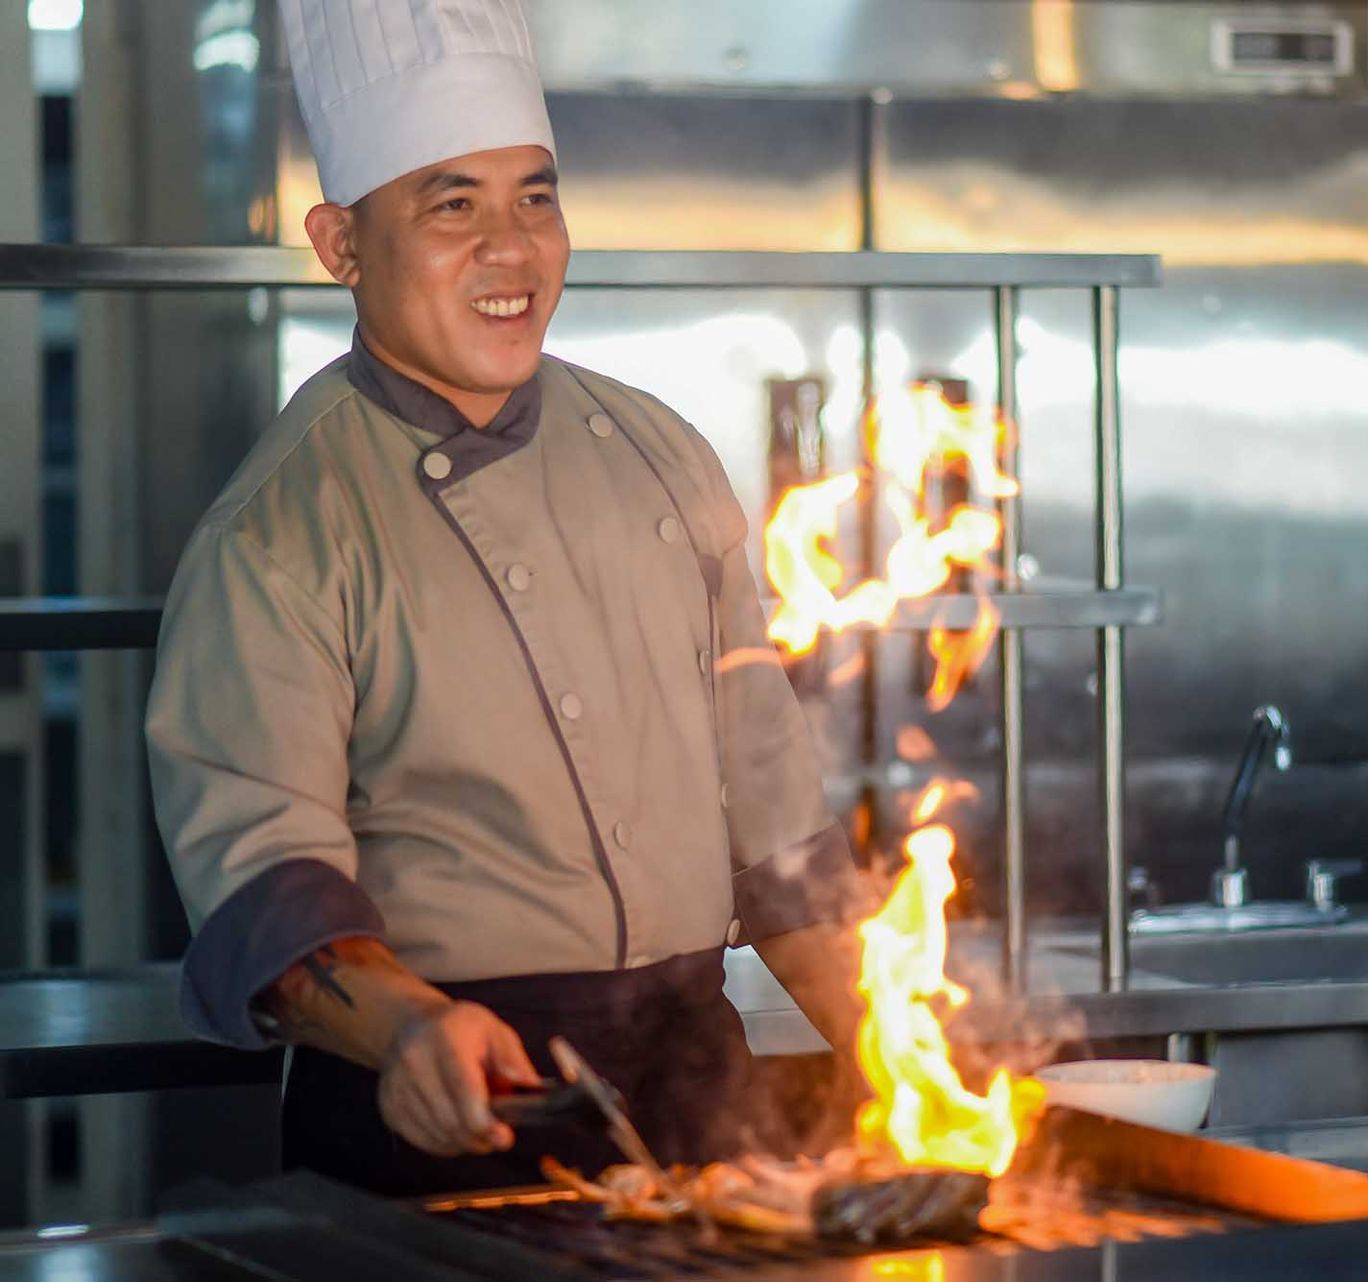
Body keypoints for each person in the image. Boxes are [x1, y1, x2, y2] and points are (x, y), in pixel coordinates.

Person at [145, 0, 869, 1196]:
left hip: (704, 1113)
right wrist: (406, 1029)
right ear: (339, 245)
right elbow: (264, 890)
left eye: (535, 196)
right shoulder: (279, 532)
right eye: (453, 205)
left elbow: (778, 836)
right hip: (443, 1110)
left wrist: (921, 1063)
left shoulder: (661, 455)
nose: (513, 249)